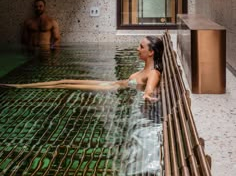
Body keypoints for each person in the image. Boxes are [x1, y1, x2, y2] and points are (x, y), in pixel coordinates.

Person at [3, 36, 163, 101]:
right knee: (64, 80)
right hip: (114, 83)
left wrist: (148, 95)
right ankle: (21, 85)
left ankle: (18, 86)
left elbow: (149, 89)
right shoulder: (146, 69)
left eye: (140, 47)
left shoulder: (153, 72)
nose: (137, 49)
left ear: (150, 52)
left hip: (110, 88)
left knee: (66, 86)